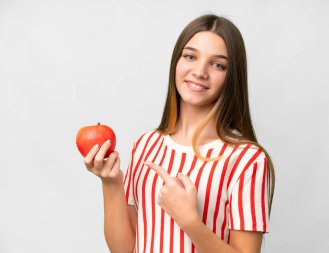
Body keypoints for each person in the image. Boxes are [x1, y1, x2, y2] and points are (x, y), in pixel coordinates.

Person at [84, 13, 275, 253]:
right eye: (190, 56)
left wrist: (189, 221)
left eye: (217, 64)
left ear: (232, 77)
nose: (200, 71)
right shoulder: (145, 145)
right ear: (177, 61)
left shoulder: (247, 160)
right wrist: (111, 184)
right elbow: (125, 249)